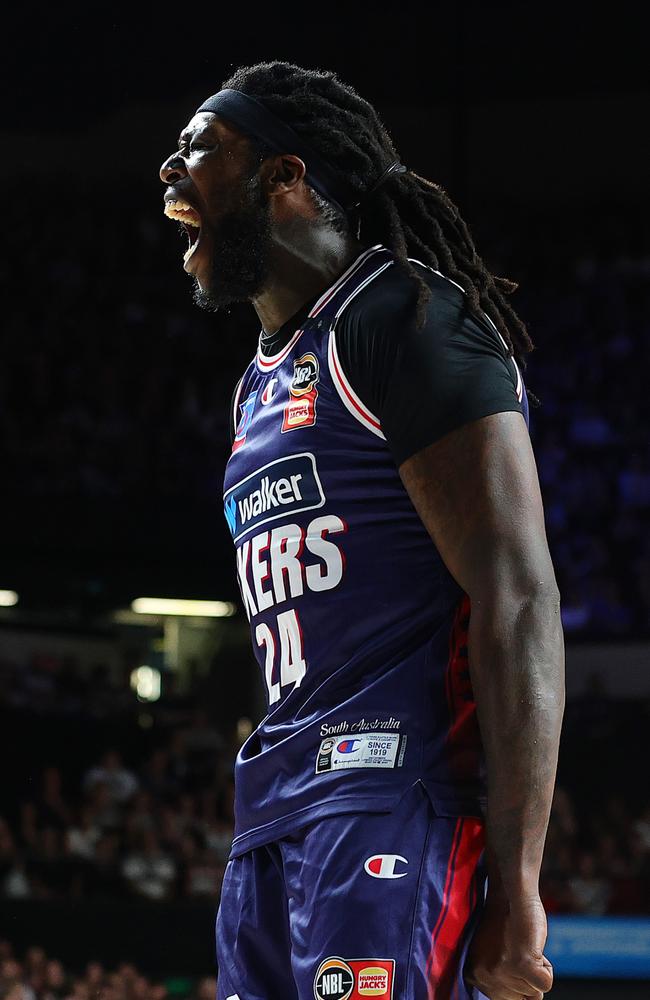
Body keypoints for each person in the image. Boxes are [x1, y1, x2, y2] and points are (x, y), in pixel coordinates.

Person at [159, 62, 565, 1000]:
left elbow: (518, 598)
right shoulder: (259, 381)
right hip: (273, 815)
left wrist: (521, 881)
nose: (171, 171)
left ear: (285, 178)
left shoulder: (404, 319)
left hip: (394, 798)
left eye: (199, 149)